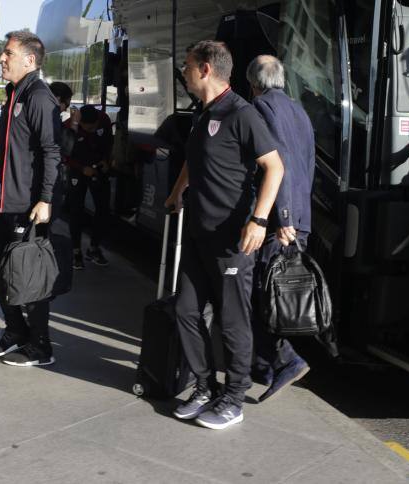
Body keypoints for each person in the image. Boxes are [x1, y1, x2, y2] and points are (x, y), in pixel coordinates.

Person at [165, 41, 284, 430]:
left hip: (232, 240)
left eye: (186, 67)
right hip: (199, 233)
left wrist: (260, 220)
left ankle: (234, 398)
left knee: (232, 322)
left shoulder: (241, 113)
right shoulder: (204, 115)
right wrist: (177, 190)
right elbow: (194, 157)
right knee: (185, 309)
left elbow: (275, 168)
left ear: (204, 69)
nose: (183, 73)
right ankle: (204, 387)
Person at [0, 31, 62, 367]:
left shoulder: (39, 96)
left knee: (28, 274)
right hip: (7, 202)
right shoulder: (15, 93)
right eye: (3, 52)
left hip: (30, 207)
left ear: (29, 60)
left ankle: (40, 346)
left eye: (8, 53)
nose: (1, 58)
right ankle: (16, 330)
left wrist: (45, 199)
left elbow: (52, 151)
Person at [246, 55, 313, 402]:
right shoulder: (298, 110)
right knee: (271, 293)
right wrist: (297, 216)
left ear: (253, 83)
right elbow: (308, 164)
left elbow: (279, 162)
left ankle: (285, 359)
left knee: (261, 294)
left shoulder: (261, 109)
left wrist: (282, 218)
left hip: (277, 220)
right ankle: (262, 365)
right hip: (298, 215)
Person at [64, 105, 113, 269]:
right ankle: (75, 251)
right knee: (76, 210)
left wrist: (106, 160)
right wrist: (81, 168)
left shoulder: (104, 120)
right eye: (88, 128)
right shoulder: (70, 125)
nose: (92, 130)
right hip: (78, 169)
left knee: (103, 208)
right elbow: (64, 154)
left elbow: (109, 142)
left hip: (98, 169)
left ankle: (94, 248)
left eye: (94, 127)